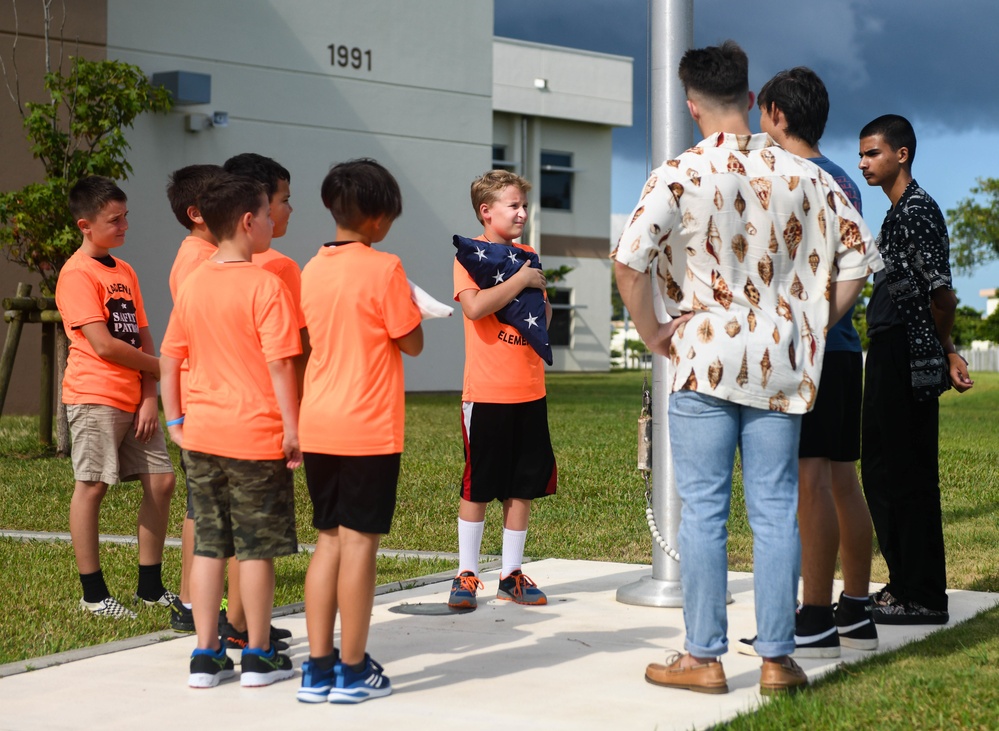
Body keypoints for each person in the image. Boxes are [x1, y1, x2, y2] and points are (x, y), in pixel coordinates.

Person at [614, 41, 881, 695]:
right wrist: (811, 325)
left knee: (703, 512)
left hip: (702, 358)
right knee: (772, 508)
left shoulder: (677, 172)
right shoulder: (806, 175)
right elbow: (857, 258)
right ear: (752, 98)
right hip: (777, 363)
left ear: (690, 103)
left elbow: (629, 258)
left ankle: (702, 657)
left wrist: (652, 331)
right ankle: (776, 660)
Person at [752, 67, 878, 657]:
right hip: (847, 345)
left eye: (762, 114)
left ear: (776, 112)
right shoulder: (845, 181)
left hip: (809, 350)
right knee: (839, 479)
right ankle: (855, 608)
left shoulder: (789, 179)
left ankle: (816, 617)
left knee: (807, 483)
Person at [160, 172, 302, 688]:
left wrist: (176, 420)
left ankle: (205, 655)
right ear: (248, 222)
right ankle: (258, 655)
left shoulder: (194, 282)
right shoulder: (266, 284)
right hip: (255, 436)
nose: (271, 220)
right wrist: (293, 427)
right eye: (267, 212)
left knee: (210, 545)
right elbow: (282, 364)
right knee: (256, 546)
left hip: (201, 433)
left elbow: (171, 356)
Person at [296, 159, 423, 704]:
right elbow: (411, 341)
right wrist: (415, 306)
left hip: (317, 420)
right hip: (368, 426)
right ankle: (353, 670)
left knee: (327, 542)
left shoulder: (310, 268)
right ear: (377, 218)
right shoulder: (386, 267)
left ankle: (318, 667)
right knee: (360, 546)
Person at [858, 114, 974, 625]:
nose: (864, 162)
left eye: (873, 153)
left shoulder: (918, 211)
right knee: (881, 471)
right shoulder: (897, 211)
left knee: (908, 476)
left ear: (901, 154)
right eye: (861, 154)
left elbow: (941, 292)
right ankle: (903, 584)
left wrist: (942, 347)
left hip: (907, 353)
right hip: (886, 351)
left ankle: (924, 595)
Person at [54, 176, 177, 620]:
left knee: (161, 481)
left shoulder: (125, 272)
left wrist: (150, 395)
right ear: (85, 225)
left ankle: (150, 588)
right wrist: (165, 369)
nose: (125, 225)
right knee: (93, 486)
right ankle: (93, 595)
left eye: (126, 216)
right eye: (115, 220)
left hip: (134, 397)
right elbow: (104, 345)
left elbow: (143, 338)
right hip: (94, 395)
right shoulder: (76, 274)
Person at [447, 170, 557, 611]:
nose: (522, 213)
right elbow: (474, 308)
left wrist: (539, 295)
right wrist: (520, 282)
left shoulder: (529, 254)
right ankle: (466, 573)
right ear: (486, 211)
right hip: (487, 392)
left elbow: (541, 321)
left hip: (529, 389)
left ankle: (511, 573)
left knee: (522, 485)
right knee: (478, 484)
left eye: (524, 206)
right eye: (513, 206)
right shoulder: (470, 255)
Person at [218, 152, 300, 652]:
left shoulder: (205, 267)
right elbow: (292, 352)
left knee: (222, 535)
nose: (287, 212)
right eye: (283, 201)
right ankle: (252, 638)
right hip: (263, 416)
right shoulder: (278, 271)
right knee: (258, 539)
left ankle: (230, 627)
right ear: (257, 210)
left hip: (211, 421)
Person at [164, 163, 224, 633]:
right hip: (204, 397)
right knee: (203, 507)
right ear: (197, 213)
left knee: (200, 505)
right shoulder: (198, 261)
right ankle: (190, 601)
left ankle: (190, 601)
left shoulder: (201, 253)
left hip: (204, 396)